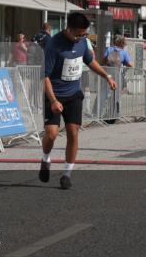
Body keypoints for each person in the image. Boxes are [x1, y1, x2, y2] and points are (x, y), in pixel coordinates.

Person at [40, 12, 116, 190]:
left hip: (74, 94)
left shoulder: (82, 42)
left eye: (85, 34)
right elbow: (45, 77)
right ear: (69, 29)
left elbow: (90, 62)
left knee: (73, 132)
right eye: (79, 34)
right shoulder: (54, 45)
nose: (82, 37)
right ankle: (45, 159)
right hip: (54, 95)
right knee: (51, 133)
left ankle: (67, 173)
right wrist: (52, 100)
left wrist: (106, 76)